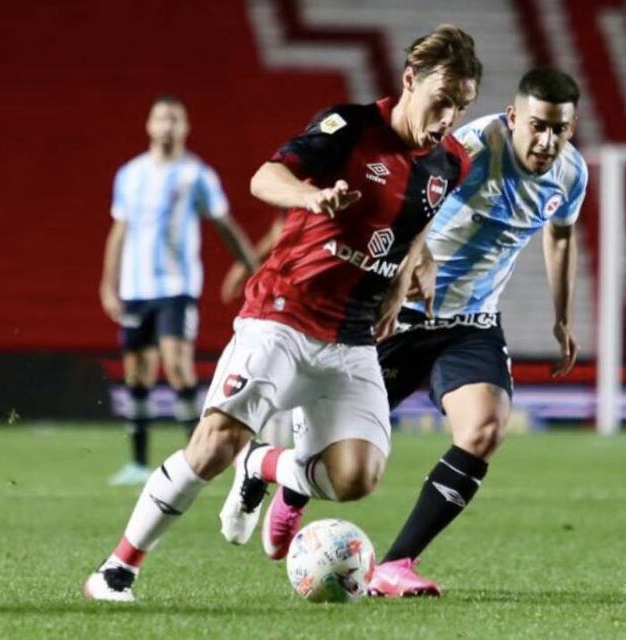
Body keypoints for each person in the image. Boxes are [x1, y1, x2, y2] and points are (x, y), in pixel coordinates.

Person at [83, 24, 481, 602]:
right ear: (410, 80)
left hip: (351, 337)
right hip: (284, 313)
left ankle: (266, 466)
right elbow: (265, 175)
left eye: (461, 106)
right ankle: (117, 569)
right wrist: (309, 196)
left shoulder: (451, 163)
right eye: (442, 101)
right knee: (215, 441)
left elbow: (418, 225)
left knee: (356, 478)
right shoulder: (348, 127)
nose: (447, 116)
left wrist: (401, 280)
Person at [223, 68, 588, 597]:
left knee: (484, 430)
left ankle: (396, 565)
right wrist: (403, 278)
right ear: (513, 118)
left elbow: (561, 235)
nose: (548, 140)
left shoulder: (571, 174)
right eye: (538, 126)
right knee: (336, 459)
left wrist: (563, 317)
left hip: (471, 324)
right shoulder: (470, 150)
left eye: (561, 129)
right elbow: (414, 209)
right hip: (404, 315)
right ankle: (267, 466)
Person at [99, 95, 258, 486]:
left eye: (174, 119)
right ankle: (137, 462)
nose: (167, 125)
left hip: (176, 286)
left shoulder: (196, 175)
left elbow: (223, 224)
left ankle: (196, 456)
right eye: (161, 118)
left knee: (177, 365)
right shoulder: (129, 174)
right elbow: (119, 230)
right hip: (136, 288)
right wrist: (109, 283)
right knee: (137, 374)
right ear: (149, 125)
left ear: (185, 127)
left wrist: (253, 268)